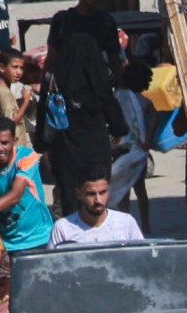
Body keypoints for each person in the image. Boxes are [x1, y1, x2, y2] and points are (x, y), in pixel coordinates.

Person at [36, 32, 127, 217]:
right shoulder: (98, 77)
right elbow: (114, 113)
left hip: (65, 152)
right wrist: (118, 129)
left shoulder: (53, 78)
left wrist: (44, 145)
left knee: (71, 202)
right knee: (97, 198)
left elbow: (43, 113)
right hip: (97, 150)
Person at [0, 116, 55, 253]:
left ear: (15, 141)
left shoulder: (27, 157)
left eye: (5, 143)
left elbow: (15, 195)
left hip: (37, 239)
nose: (0, 148)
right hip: (5, 243)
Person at [46, 0, 123, 82]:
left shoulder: (106, 22)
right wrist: (45, 89)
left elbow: (114, 61)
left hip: (96, 84)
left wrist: (124, 89)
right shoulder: (62, 20)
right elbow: (51, 57)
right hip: (68, 84)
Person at [50, 165, 145, 245]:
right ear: (78, 194)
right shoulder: (63, 229)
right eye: (91, 194)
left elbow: (140, 260)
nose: (98, 200)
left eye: (103, 192)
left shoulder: (126, 223)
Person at [114, 61, 155, 227]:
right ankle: (145, 224)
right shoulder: (144, 100)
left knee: (124, 189)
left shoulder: (119, 97)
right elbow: (155, 117)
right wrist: (148, 139)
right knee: (140, 189)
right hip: (138, 148)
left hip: (123, 148)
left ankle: (126, 222)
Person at [0, 49, 33, 150]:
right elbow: (11, 120)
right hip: (13, 149)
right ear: (2, 67)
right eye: (15, 67)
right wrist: (26, 101)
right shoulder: (3, 92)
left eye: (21, 68)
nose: (19, 72)